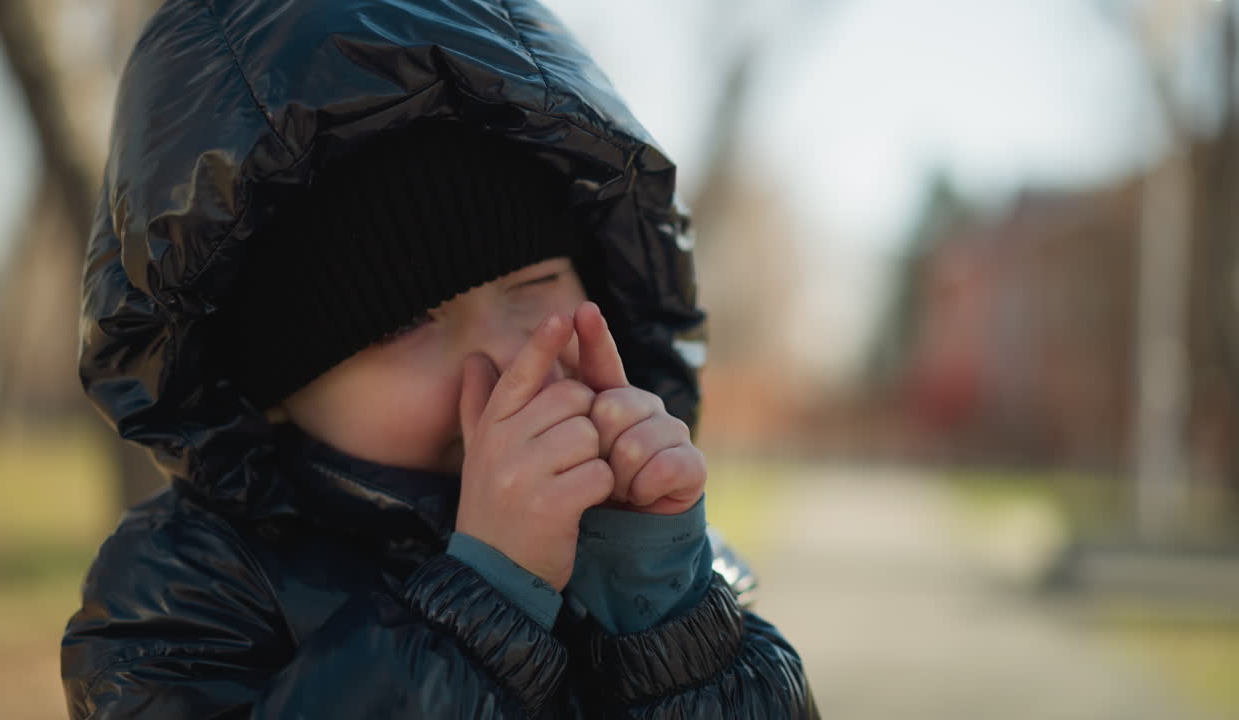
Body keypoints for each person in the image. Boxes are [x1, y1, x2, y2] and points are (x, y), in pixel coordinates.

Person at [61, 0, 818, 717]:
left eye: (534, 283)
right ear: (272, 391)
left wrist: (670, 624)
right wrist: (480, 609)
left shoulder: (669, 560)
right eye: (403, 326)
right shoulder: (176, 596)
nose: (502, 356)